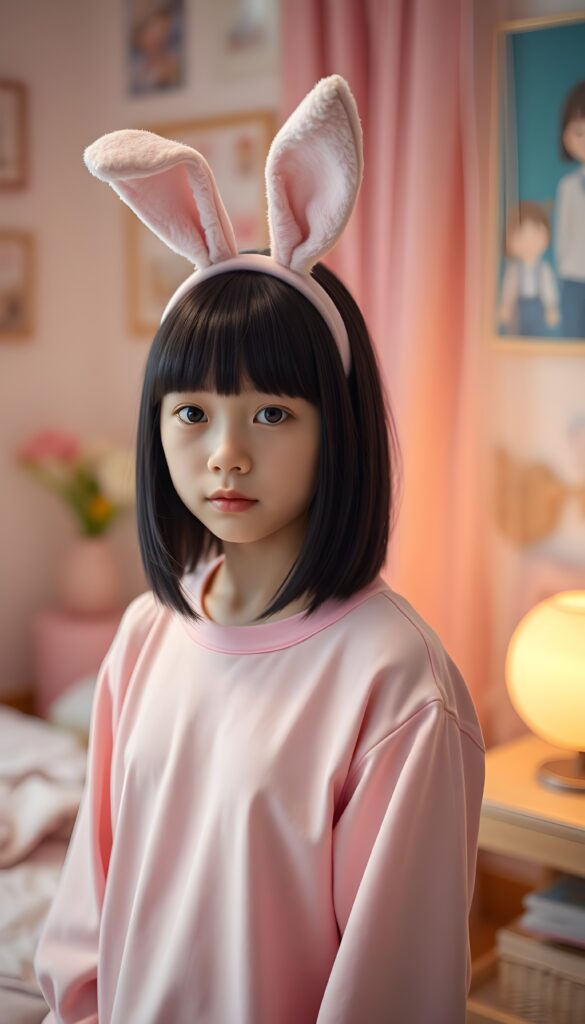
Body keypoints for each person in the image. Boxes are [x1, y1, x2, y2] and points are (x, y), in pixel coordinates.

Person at [33, 75, 485, 1023]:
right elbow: (89, 910)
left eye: (272, 413)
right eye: (192, 413)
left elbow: (388, 988)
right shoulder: (145, 635)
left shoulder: (397, 685)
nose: (226, 455)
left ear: (336, 428)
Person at [498, 201, 559, 337]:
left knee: (537, 335)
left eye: (534, 236)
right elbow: (509, 288)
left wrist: (551, 308)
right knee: (516, 334)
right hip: (519, 307)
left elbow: (548, 289)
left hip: (537, 307)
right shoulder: (514, 269)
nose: (529, 243)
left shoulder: (544, 269)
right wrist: (505, 306)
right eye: (523, 237)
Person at [554, 80, 585, 339]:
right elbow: (562, 231)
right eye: (579, 132)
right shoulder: (568, 186)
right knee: (573, 333)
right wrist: (562, 264)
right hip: (573, 274)